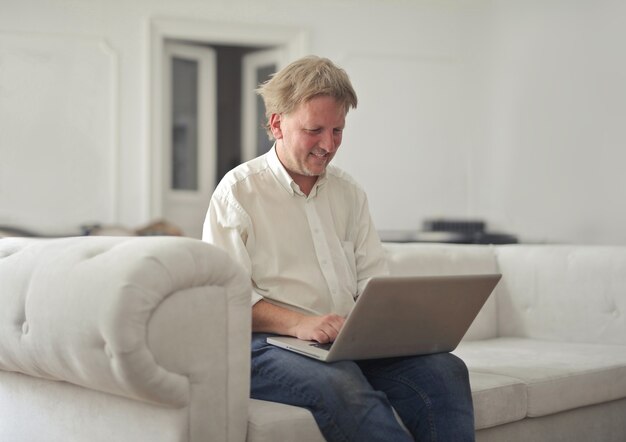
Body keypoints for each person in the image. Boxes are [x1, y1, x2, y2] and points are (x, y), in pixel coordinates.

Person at [203, 55, 475, 441]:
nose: (328, 145)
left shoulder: (349, 193)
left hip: (346, 341)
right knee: (342, 382)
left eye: (338, 131)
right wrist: (301, 323)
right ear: (277, 124)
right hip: (266, 348)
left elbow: (373, 280)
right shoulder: (238, 192)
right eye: (314, 130)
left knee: (447, 370)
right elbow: (226, 300)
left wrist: (391, 322)